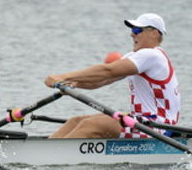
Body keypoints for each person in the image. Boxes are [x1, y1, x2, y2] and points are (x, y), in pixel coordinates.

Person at [43, 13, 180, 139]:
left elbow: (107, 70)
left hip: (157, 127)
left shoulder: (152, 55)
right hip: (142, 122)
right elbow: (103, 80)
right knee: (75, 121)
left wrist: (64, 77)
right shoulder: (137, 56)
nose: (132, 34)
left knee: (93, 124)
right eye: (132, 30)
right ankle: (47, 151)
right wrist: (75, 84)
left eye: (137, 30)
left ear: (154, 33)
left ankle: (56, 154)